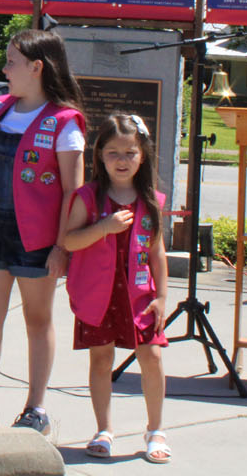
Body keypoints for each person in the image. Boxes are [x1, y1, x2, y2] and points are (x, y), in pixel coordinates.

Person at [0, 29, 85, 435]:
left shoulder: (65, 122)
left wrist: (62, 247)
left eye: (11, 62)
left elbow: (72, 192)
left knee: (37, 320)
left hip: (38, 241)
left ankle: (36, 407)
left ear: (36, 67)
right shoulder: (0, 109)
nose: (5, 69)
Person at [62, 112, 170, 464]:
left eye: (130, 153)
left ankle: (155, 430)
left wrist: (162, 297)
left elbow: (157, 252)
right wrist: (104, 227)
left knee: (151, 357)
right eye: (113, 153)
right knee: (101, 357)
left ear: (143, 155)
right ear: (99, 156)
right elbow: (70, 240)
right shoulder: (88, 198)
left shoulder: (151, 201)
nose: (121, 161)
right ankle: (104, 430)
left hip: (139, 297)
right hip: (99, 295)